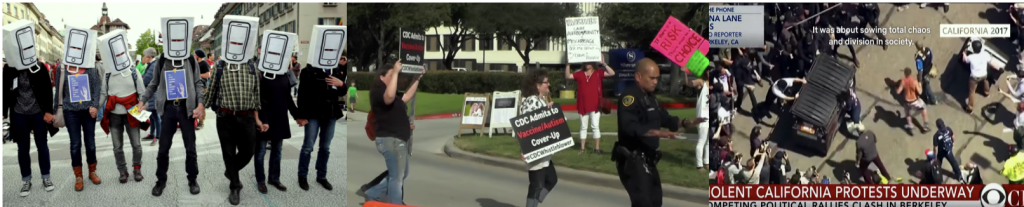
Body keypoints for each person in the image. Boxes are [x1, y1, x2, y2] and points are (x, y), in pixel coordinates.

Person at [614, 58, 706, 207]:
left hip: (648, 160)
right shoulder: (629, 98)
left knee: (656, 201)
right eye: (652, 78)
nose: (655, 82)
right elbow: (629, 127)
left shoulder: (651, 98)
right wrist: (658, 133)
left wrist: (686, 122)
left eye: (657, 78)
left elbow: (666, 119)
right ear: (638, 77)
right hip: (632, 160)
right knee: (644, 203)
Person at [137, 48, 206, 198]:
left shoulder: (189, 59)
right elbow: (153, 83)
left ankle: (192, 179)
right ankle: (161, 180)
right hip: (168, 109)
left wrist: (200, 104)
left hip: (186, 109)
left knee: (190, 148)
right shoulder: (161, 60)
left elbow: (198, 83)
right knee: (163, 148)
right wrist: (143, 99)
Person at [206, 48, 262, 204]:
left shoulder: (251, 65)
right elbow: (210, 92)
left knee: (249, 151)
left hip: (247, 117)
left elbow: (256, 94)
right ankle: (235, 186)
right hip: (225, 117)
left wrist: (257, 119)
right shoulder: (220, 65)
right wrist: (198, 108)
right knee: (229, 153)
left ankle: (230, 171)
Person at [364, 60, 421, 204]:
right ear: (382, 77)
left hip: (398, 139)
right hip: (391, 140)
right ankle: (395, 204)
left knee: (401, 174)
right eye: (390, 75)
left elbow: (407, 96)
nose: (394, 78)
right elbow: (388, 99)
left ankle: (373, 193)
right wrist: (395, 71)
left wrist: (417, 78)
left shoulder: (393, 94)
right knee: (397, 178)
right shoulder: (379, 92)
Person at [4, 61, 57, 196]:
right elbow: (4, 89)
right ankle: (26, 180)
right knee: (23, 149)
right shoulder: (10, 68)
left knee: (42, 146)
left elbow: (47, 89)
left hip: (37, 112)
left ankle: (46, 177)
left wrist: (48, 111)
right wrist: (3, 111)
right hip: (19, 112)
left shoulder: (39, 67)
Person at [294, 57, 347, 192]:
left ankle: (321, 176)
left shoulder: (335, 69)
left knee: (325, 147)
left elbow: (342, 91)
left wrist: (341, 84)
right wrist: (300, 115)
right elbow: (302, 94)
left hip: (331, 113)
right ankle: (302, 176)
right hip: (313, 113)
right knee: (308, 146)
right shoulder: (308, 70)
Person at [98, 51, 148, 184]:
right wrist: (95, 108)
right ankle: (122, 171)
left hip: (132, 113)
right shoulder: (108, 74)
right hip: (114, 116)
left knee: (136, 145)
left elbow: (142, 92)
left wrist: (144, 105)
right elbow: (103, 93)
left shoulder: (133, 72)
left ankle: (137, 168)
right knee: (117, 147)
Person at [53, 62, 103, 191]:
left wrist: (95, 105)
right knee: (75, 145)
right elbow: (58, 90)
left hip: (88, 110)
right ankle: (78, 176)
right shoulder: (62, 67)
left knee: (90, 143)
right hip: (70, 111)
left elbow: (96, 88)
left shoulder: (89, 66)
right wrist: (55, 111)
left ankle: (92, 171)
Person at [515, 70, 560, 207]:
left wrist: (549, 110)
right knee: (536, 185)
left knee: (551, 179)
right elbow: (526, 125)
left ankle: (534, 203)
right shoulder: (531, 101)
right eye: (546, 82)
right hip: (534, 149)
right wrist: (525, 148)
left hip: (544, 150)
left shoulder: (540, 101)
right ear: (537, 85)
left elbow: (541, 120)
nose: (549, 84)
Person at [254, 65, 300, 194]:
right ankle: (261, 180)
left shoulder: (284, 75)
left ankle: (274, 178)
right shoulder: (260, 74)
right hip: (264, 118)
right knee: (261, 152)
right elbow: (257, 99)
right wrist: (262, 120)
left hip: (280, 118)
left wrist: (297, 116)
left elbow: (288, 98)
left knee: (277, 151)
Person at [565, 57, 616, 154]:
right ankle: (582, 148)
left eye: (589, 62)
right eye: (586, 62)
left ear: (593, 63)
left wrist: (604, 64)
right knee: (583, 127)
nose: (587, 64)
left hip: (596, 105)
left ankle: (597, 148)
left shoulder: (598, 73)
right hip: (582, 105)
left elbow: (612, 73)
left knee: (595, 126)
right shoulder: (580, 74)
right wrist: (568, 65)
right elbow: (568, 76)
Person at [962, 39, 1002, 113]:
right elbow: (991, 62)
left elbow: (965, 60)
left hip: (974, 77)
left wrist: (964, 53)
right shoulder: (985, 54)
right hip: (984, 74)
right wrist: (998, 67)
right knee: (986, 81)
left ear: (973, 49)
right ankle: (986, 93)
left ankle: (970, 108)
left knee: (972, 92)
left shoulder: (971, 57)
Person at [896, 67, 930, 133]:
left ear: (905, 73)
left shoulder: (903, 81)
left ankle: (910, 125)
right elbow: (920, 92)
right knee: (924, 108)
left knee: (907, 113)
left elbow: (898, 92)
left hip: (907, 101)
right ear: (910, 73)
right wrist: (920, 85)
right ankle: (925, 126)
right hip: (915, 101)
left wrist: (897, 89)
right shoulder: (914, 81)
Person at [932, 119, 965, 184]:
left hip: (941, 152)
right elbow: (953, 137)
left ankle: (938, 178)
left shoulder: (936, 135)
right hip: (948, 151)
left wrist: (934, 156)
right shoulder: (948, 129)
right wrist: (952, 143)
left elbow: (935, 148)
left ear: (937, 126)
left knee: (938, 164)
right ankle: (959, 176)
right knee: (953, 162)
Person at [139, 48, 161, 146]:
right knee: (151, 116)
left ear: (149, 57)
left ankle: (158, 136)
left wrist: (139, 82)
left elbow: (146, 79)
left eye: (145, 56)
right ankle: (152, 134)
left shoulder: (154, 65)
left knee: (156, 116)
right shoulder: (151, 64)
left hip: (154, 93)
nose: (143, 57)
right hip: (152, 93)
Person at [696, 75, 711, 172]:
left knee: (708, 142)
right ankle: (699, 165)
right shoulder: (702, 83)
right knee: (701, 141)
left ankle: (706, 162)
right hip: (702, 117)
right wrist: (685, 74)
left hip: (709, 117)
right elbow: (691, 83)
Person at [194, 50, 212, 130]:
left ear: (198, 56)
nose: (194, 55)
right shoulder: (195, 63)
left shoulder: (204, 63)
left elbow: (208, 75)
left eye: (195, 54)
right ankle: (195, 120)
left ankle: (201, 122)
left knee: (201, 104)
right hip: (194, 86)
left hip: (202, 86)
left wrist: (197, 75)